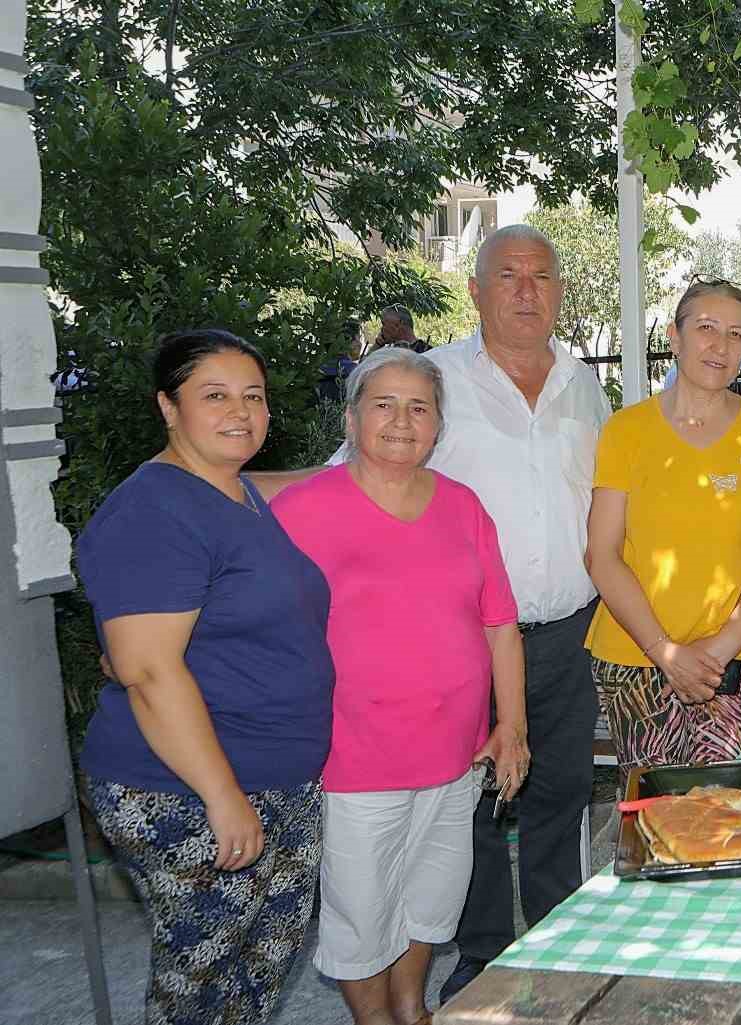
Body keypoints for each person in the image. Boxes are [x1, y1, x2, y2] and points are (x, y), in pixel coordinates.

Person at [254, 224, 612, 1003]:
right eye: (507, 275)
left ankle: (556, 951)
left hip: (564, 633)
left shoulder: (585, 385)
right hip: (466, 644)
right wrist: (207, 486)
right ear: (476, 291)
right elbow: (332, 488)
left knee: (557, 795)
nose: (526, 290)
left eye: (542, 276)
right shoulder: (429, 383)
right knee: (469, 815)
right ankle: (481, 958)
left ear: (559, 291)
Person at [77, 329, 334, 1025]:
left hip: (277, 777)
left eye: (253, 396)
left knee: (257, 970)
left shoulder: (234, 492)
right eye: (214, 395)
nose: (240, 411)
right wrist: (221, 796)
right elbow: (149, 669)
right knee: (198, 983)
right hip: (188, 788)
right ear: (168, 405)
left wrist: (359, 463)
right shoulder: (154, 509)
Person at [271, 347, 527, 1025]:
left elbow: (501, 623)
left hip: (456, 754)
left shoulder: (463, 506)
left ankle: (411, 1006)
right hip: (355, 758)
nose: (401, 420)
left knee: (430, 900)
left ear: (439, 425)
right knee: (362, 913)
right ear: (352, 420)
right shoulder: (303, 510)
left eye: (419, 407)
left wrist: (513, 728)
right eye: (383, 404)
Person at [584, 278, 741, 772]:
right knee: (657, 816)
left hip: (728, 661)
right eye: (706, 328)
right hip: (635, 657)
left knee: (722, 810)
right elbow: (601, 554)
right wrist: (666, 653)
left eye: (737, 335)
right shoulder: (626, 430)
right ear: (674, 339)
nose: (720, 346)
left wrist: (716, 651)